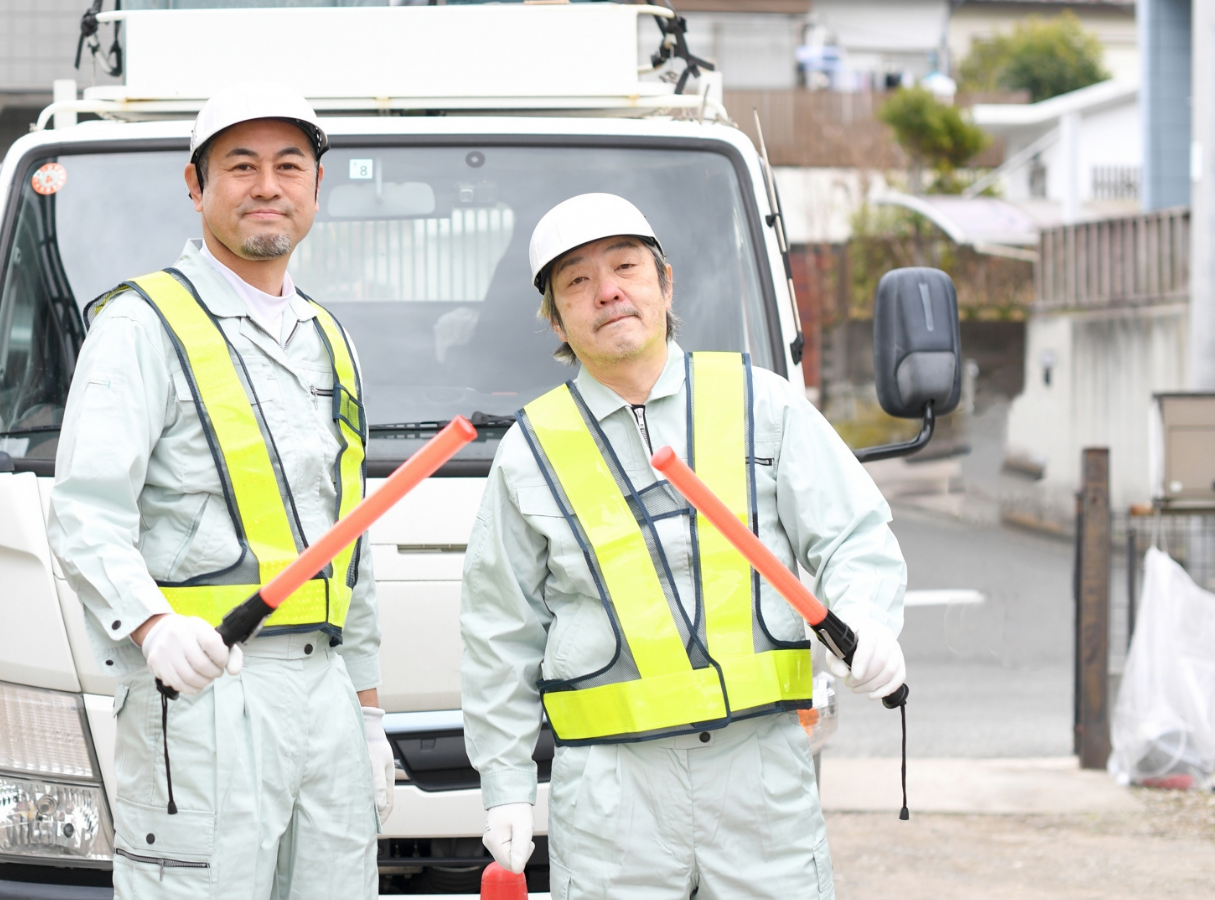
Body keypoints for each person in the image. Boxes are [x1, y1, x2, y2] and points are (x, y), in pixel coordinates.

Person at [459, 193, 908, 899]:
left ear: (665, 285)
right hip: (612, 796)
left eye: (626, 267)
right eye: (575, 281)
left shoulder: (764, 404)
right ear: (555, 318)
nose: (607, 291)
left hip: (759, 777)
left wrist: (871, 620)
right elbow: (499, 630)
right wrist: (506, 784)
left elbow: (851, 534)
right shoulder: (531, 449)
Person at [48, 84, 392, 899]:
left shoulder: (329, 339)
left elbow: (350, 544)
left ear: (314, 187)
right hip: (204, 692)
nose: (267, 185)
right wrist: (152, 622)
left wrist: (370, 713)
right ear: (196, 187)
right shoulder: (141, 325)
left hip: (324, 694)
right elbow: (85, 512)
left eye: (289, 165)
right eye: (241, 166)